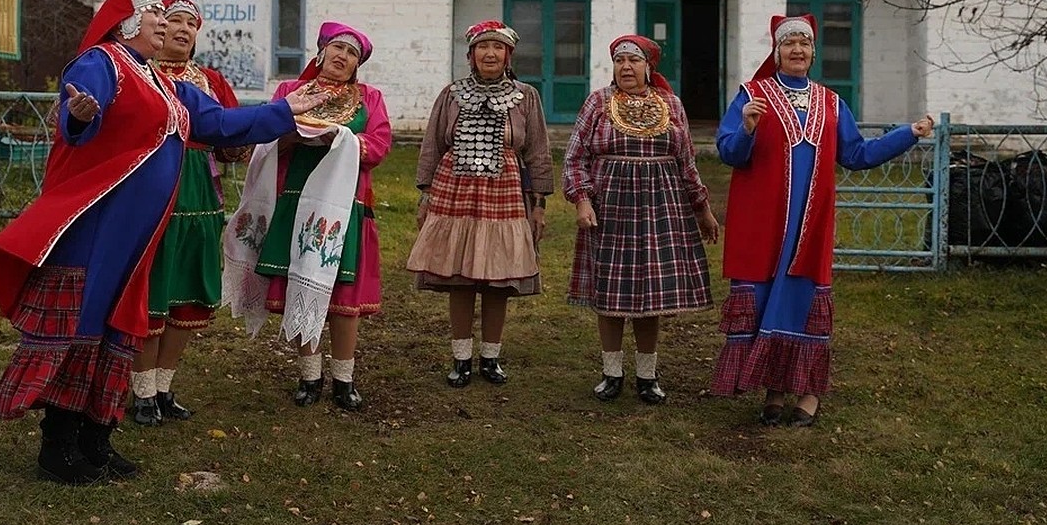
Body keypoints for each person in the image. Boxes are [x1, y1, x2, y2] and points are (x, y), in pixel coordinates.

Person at [0, 0, 328, 485]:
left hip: (137, 236)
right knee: (86, 322)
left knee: (120, 324)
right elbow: (79, 117)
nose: (164, 22)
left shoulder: (166, 83)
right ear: (127, 25)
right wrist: (80, 117)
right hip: (97, 227)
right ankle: (58, 447)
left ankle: (96, 439)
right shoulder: (102, 63)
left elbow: (219, 124)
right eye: (155, 16)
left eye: (167, 18)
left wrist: (285, 111)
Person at [711, 14, 935, 427]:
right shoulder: (751, 95)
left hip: (809, 226)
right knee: (765, 300)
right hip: (763, 225)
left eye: (805, 43)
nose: (797, 50)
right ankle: (775, 390)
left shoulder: (832, 103)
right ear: (776, 52)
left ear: (813, 52)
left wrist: (909, 133)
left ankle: (809, 392)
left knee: (801, 298)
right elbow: (730, 153)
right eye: (789, 43)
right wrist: (745, 129)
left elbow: (856, 155)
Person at [227, 22, 391, 411]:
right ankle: (310, 375)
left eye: (351, 53)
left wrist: (343, 140)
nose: (342, 57)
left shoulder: (370, 98)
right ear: (320, 52)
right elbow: (268, 136)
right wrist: (293, 136)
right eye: (336, 48)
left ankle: (344, 380)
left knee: (342, 293)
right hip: (295, 199)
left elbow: (381, 144)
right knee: (302, 282)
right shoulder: (290, 92)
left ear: (357, 65)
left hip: (345, 206)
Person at [562, 34, 719, 405]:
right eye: (619, 61)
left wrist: (703, 209)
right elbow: (574, 157)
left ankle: (647, 376)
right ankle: (612, 373)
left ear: (649, 66)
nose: (626, 67)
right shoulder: (598, 102)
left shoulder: (670, 103)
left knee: (651, 294)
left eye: (634, 61)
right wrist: (583, 200)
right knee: (611, 293)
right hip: (610, 208)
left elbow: (687, 163)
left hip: (661, 208)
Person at [406, 20, 552, 388]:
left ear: (508, 55)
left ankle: (490, 357)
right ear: (471, 55)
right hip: (454, 191)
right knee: (460, 277)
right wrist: (425, 195)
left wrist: (539, 203)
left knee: (497, 278)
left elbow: (537, 150)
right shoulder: (451, 94)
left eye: (498, 48)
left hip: (504, 192)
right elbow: (432, 146)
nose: (490, 53)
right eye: (483, 47)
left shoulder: (526, 97)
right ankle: (461, 358)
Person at [129, 0, 249, 427]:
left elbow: (233, 140)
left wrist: (241, 141)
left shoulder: (212, 80)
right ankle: (140, 392)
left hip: (200, 195)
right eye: (173, 20)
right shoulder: (138, 73)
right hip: (152, 188)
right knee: (152, 288)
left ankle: (163, 388)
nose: (182, 29)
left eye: (191, 24)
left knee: (191, 292)